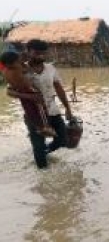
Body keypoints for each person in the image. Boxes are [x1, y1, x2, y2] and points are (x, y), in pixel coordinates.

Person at [6, 39, 73, 169]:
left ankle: (45, 152)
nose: (41, 56)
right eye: (37, 53)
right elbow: (9, 92)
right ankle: (42, 176)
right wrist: (31, 97)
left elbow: (59, 89)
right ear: (28, 51)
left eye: (43, 53)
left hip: (53, 111)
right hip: (34, 115)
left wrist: (68, 108)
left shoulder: (50, 68)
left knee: (62, 140)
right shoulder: (19, 69)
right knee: (38, 146)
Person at [0, 50, 56, 137]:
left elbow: (10, 86)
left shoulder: (5, 71)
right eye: (17, 60)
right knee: (41, 108)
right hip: (30, 90)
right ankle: (46, 126)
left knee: (30, 110)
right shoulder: (17, 68)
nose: (19, 61)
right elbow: (26, 69)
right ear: (10, 63)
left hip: (20, 91)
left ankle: (39, 127)